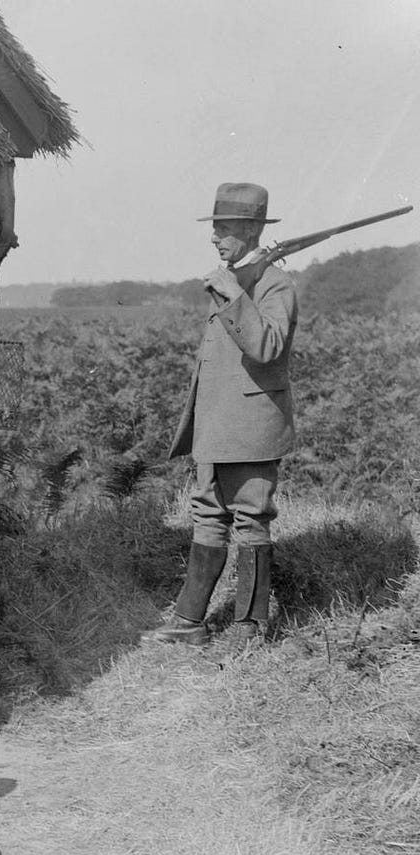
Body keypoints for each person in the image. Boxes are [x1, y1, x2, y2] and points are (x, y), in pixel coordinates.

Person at [149, 182, 299, 647]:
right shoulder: (240, 275)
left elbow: (266, 347)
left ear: (254, 230)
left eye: (227, 230)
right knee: (208, 514)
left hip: (252, 425)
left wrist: (234, 294)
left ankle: (248, 628)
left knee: (251, 518)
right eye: (215, 229)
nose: (216, 238)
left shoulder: (274, 283)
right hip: (216, 421)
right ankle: (189, 621)